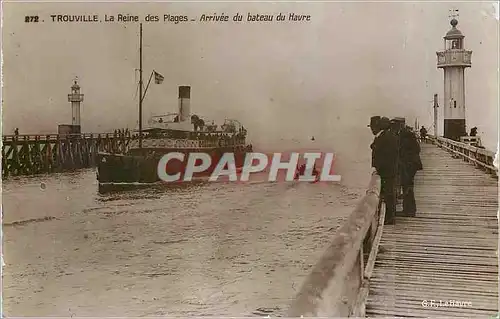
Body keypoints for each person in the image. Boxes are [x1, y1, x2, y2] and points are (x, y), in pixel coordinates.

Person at [369, 116, 399, 225]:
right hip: (388, 170)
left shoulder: (386, 137)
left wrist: (379, 168)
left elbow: (386, 154)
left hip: (387, 171)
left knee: (389, 194)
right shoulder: (386, 136)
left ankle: (389, 218)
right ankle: (388, 217)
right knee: (388, 193)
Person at [399, 126, 423, 216]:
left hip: (410, 165)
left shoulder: (405, 138)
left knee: (407, 186)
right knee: (408, 186)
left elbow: (402, 152)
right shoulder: (411, 137)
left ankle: (409, 211)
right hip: (413, 165)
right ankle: (409, 209)